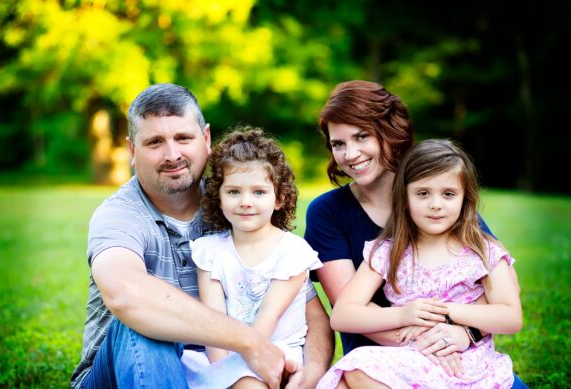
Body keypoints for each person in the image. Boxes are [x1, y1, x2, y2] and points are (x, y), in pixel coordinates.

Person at [71, 83, 333, 389]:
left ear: (205, 139)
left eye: (183, 138)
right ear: (132, 151)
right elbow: (126, 295)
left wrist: (310, 372)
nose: (172, 154)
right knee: (142, 325)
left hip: (222, 371)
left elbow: (309, 311)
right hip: (119, 374)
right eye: (155, 142)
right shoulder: (120, 214)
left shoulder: (236, 204)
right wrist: (249, 342)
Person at [304, 80, 528, 387]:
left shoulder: (439, 198)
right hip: (382, 356)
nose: (350, 154)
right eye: (338, 144)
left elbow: (504, 292)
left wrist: (464, 334)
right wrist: (427, 342)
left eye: (361, 136)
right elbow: (348, 308)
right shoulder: (329, 213)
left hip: (463, 353)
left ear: (388, 132)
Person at [180, 127, 323, 388]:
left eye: (258, 192)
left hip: (276, 350)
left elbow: (268, 315)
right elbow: (212, 322)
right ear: (219, 199)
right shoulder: (209, 252)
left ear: (279, 198)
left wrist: (239, 372)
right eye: (234, 192)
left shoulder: (293, 252)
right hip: (222, 354)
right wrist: (222, 373)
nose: (245, 201)